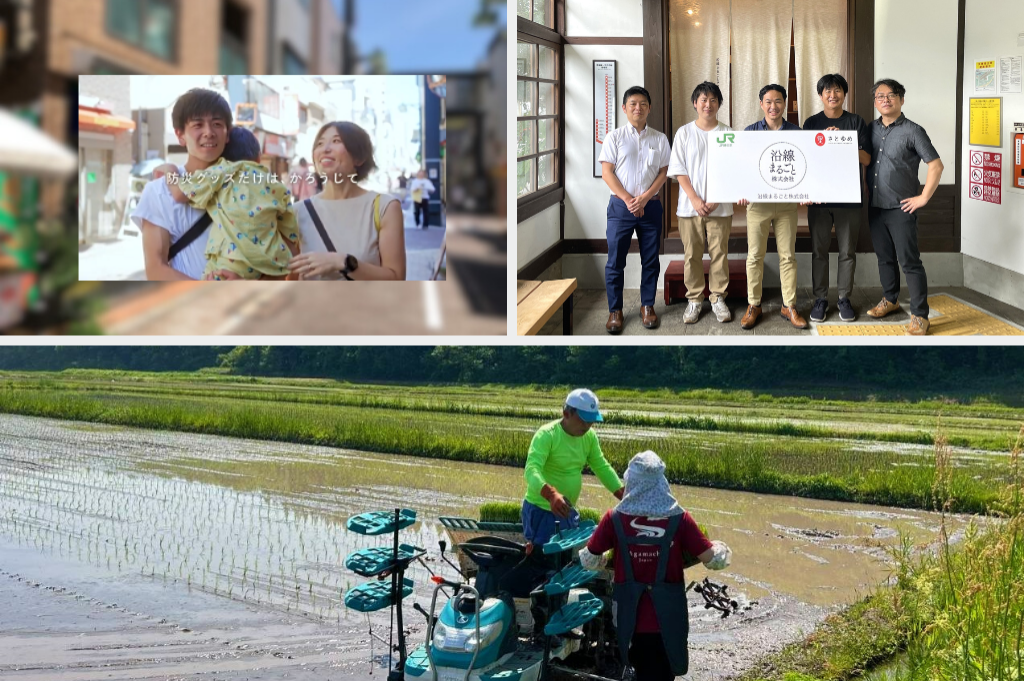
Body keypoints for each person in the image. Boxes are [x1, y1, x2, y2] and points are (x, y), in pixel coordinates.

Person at [579, 450, 731, 681]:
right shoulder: (679, 519)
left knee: (634, 670)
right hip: (667, 619)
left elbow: (588, 559)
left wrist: (607, 561)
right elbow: (714, 560)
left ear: (630, 481)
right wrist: (719, 546)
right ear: (662, 482)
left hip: (628, 619)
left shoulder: (614, 519)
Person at [157, 127, 300, 280]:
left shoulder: (222, 171)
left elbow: (179, 193)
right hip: (270, 263)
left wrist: (169, 169)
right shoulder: (275, 184)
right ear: (259, 158)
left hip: (230, 262)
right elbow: (291, 235)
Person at [864, 79, 943, 336]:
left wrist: (923, 197)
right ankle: (891, 299)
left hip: (902, 209)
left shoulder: (913, 130)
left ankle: (920, 315)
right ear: (875, 101)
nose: (885, 100)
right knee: (885, 258)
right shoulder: (869, 129)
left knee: (909, 261)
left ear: (901, 99)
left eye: (891, 96)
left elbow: (936, 165)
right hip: (875, 207)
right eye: (879, 96)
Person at [290, 121, 406, 280]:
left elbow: (396, 277)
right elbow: (290, 276)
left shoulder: (384, 207)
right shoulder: (296, 212)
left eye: (336, 141)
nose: (325, 149)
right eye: (320, 143)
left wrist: (343, 262)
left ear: (359, 158)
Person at [133, 88, 229, 280]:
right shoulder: (159, 191)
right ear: (180, 135)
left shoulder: (243, 185)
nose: (208, 132)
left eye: (217, 124)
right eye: (197, 125)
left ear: (228, 134)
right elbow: (155, 269)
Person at [599, 85, 671, 333]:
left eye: (642, 104)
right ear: (624, 108)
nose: (638, 108)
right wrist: (630, 200)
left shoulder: (659, 138)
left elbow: (664, 172)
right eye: (633, 104)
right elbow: (606, 172)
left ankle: (648, 305)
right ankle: (615, 310)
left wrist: (644, 198)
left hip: (650, 207)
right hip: (620, 208)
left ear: (649, 108)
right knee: (615, 261)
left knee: (650, 259)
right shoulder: (614, 137)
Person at [802, 73, 872, 323]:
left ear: (844, 94)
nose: (833, 95)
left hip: (848, 196)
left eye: (838, 90)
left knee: (847, 251)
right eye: (827, 91)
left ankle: (844, 298)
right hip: (819, 198)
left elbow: (867, 159)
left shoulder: (856, 121)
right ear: (820, 95)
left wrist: (840, 141)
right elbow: (805, 160)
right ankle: (820, 299)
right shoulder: (811, 123)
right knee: (818, 250)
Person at [738, 84, 808, 331]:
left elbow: (803, 165)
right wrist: (742, 190)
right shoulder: (750, 132)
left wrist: (806, 190)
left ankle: (788, 305)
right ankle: (753, 304)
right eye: (768, 101)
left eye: (778, 101)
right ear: (761, 104)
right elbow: (743, 166)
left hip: (787, 205)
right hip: (758, 204)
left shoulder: (796, 132)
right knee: (754, 256)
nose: (773, 106)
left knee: (788, 256)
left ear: (785, 104)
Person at [522, 388, 624, 550]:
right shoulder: (547, 435)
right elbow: (531, 469)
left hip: (566, 510)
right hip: (541, 510)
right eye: (583, 420)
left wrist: (624, 495)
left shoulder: (589, 437)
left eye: (591, 420)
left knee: (563, 561)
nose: (587, 425)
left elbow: (601, 466)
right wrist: (551, 494)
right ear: (566, 413)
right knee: (542, 561)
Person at [667, 81, 734, 325]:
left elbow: (732, 170)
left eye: (713, 100)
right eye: (703, 100)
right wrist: (695, 199)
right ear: (695, 103)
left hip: (721, 207)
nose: (708, 104)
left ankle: (717, 298)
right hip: (689, 207)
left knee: (719, 254)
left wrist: (716, 197)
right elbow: (678, 170)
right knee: (692, 254)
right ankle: (694, 299)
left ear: (719, 104)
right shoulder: (684, 133)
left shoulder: (728, 133)